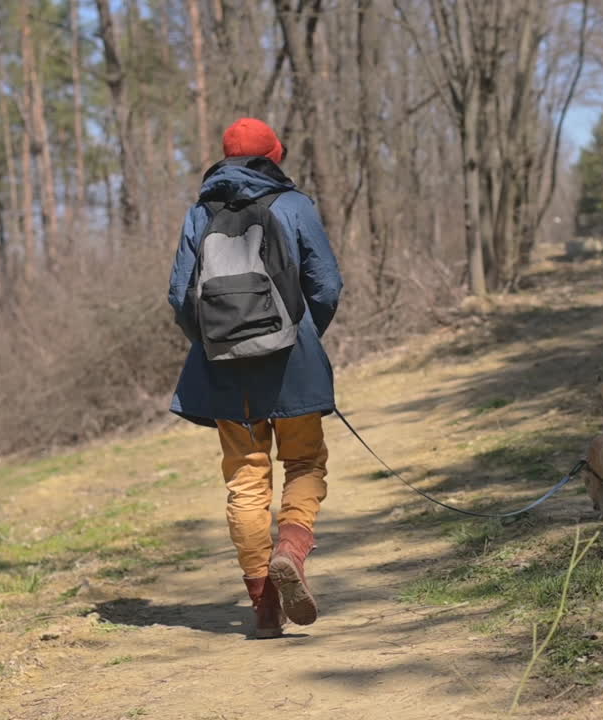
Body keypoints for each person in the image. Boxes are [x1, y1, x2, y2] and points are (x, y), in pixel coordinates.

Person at [167, 118, 343, 638]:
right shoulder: (294, 206)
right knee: (305, 460)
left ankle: (264, 607)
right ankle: (292, 548)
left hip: (224, 371)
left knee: (245, 479)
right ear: (273, 156)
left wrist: (215, 341)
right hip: (291, 362)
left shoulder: (200, 212)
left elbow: (180, 297)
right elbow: (327, 284)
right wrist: (305, 331)